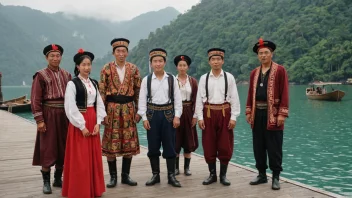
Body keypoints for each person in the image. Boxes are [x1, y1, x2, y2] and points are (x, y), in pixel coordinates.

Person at [62, 48, 106, 198]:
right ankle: (80, 190)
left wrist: (98, 122)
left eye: (89, 64)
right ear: (77, 67)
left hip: (93, 119)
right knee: (80, 157)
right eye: (84, 65)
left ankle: (94, 189)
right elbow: (70, 107)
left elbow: (99, 103)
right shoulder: (72, 84)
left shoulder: (94, 83)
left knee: (93, 155)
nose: (87, 67)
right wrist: (81, 125)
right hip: (79, 122)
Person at [246, 38, 289, 190]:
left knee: (274, 146)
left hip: (274, 114)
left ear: (272, 54)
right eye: (260, 53)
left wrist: (282, 114)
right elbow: (250, 93)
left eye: (266, 53)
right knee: (258, 145)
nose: (263, 55)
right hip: (257, 114)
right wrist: (249, 111)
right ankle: (262, 174)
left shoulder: (280, 70)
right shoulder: (254, 73)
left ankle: (276, 177)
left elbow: (284, 92)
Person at [138, 48, 183, 187]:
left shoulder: (172, 79)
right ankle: (155, 175)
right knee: (153, 146)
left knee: (170, 145)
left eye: (160, 61)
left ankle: (171, 176)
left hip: (168, 114)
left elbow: (178, 99)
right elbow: (141, 100)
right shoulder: (147, 80)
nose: (158, 64)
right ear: (151, 63)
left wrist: (177, 116)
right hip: (152, 114)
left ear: (165, 62)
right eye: (155, 61)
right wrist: (144, 118)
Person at [195, 48, 240, 186]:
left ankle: (223, 175)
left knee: (225, 144)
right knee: (208, 144)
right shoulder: (204, 78)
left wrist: (234, 117)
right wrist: (200, 117)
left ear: (223, 61)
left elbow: (234, 98)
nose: (216, 62)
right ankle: (212, 174)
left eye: (218, 59)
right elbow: (198, 100)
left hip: (224, 112)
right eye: (213, 59)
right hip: (208, 112)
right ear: (209, 62)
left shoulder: (229, 77)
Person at [99, 38, 141, 187]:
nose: (121, 54)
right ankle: (113, 177)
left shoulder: (134, 69)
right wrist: (101, 113)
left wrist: (139, 111)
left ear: (127, 53)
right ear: (113, 53)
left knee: (129, 142)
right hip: (111, 109)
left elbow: (138, 91)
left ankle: (125, 176)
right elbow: (102, 92)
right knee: (111, 144)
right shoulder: (106, 69)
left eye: (124, 51)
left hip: (129, 109)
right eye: (118, 51)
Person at [30, 44, 71, 194]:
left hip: (64, 115)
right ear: (46, 57)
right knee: (47, 148)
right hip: (48, 114)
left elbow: (71, 98)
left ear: (61, 57)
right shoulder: (40, 75)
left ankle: (57, 178)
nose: (55, 58)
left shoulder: (67, 75)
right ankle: (46, 182)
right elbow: (35, 99)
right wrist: (39, 120)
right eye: (52, 55)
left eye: (57, 55)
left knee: (63, 146)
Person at [174, 55, 198, 176]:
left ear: (188, 67)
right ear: (176, 67)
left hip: (189, 111)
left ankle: (187, 167)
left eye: (184, 65)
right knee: (176, 140)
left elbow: (197, 99)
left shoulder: (193, 81)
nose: (182, 67)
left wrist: (195, 115)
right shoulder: (173, 80)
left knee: (189, 140)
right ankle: (176, 168)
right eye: (180, 65)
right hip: (176, 112)